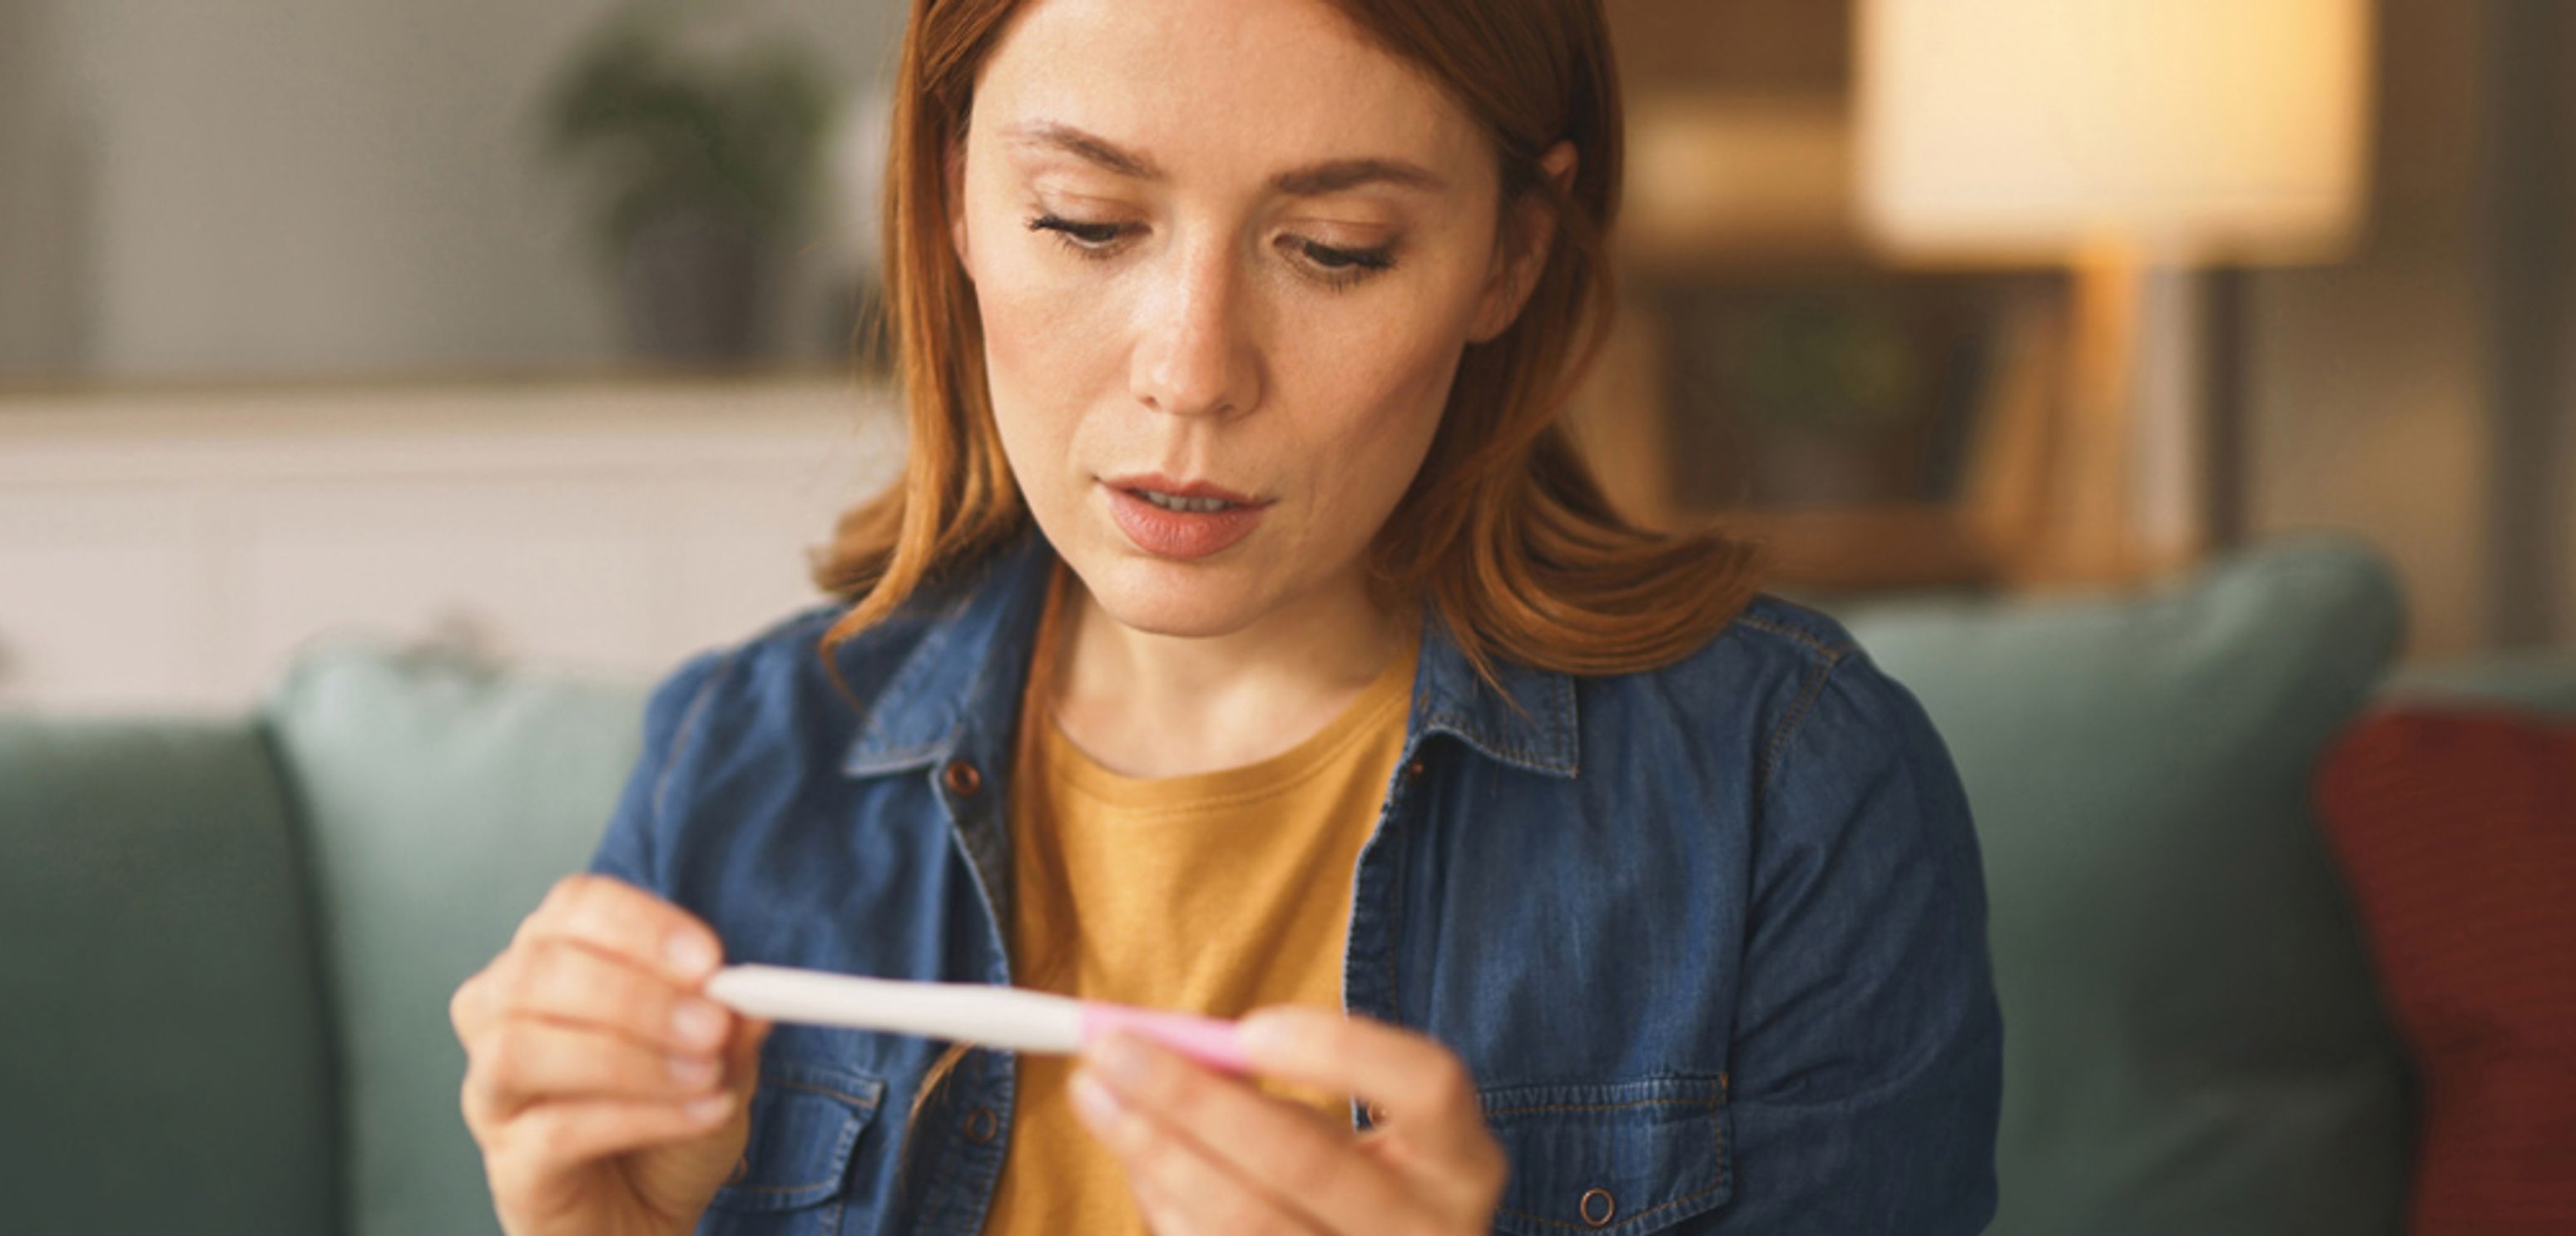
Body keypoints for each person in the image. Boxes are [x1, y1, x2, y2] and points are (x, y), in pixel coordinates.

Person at [449, 0, 2001, 1230]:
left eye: (1336, 251)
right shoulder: (736, 765)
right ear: (951, 201)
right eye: (1085, 221)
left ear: (1510, 254)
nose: (1193, 369)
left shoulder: (1789, 799)